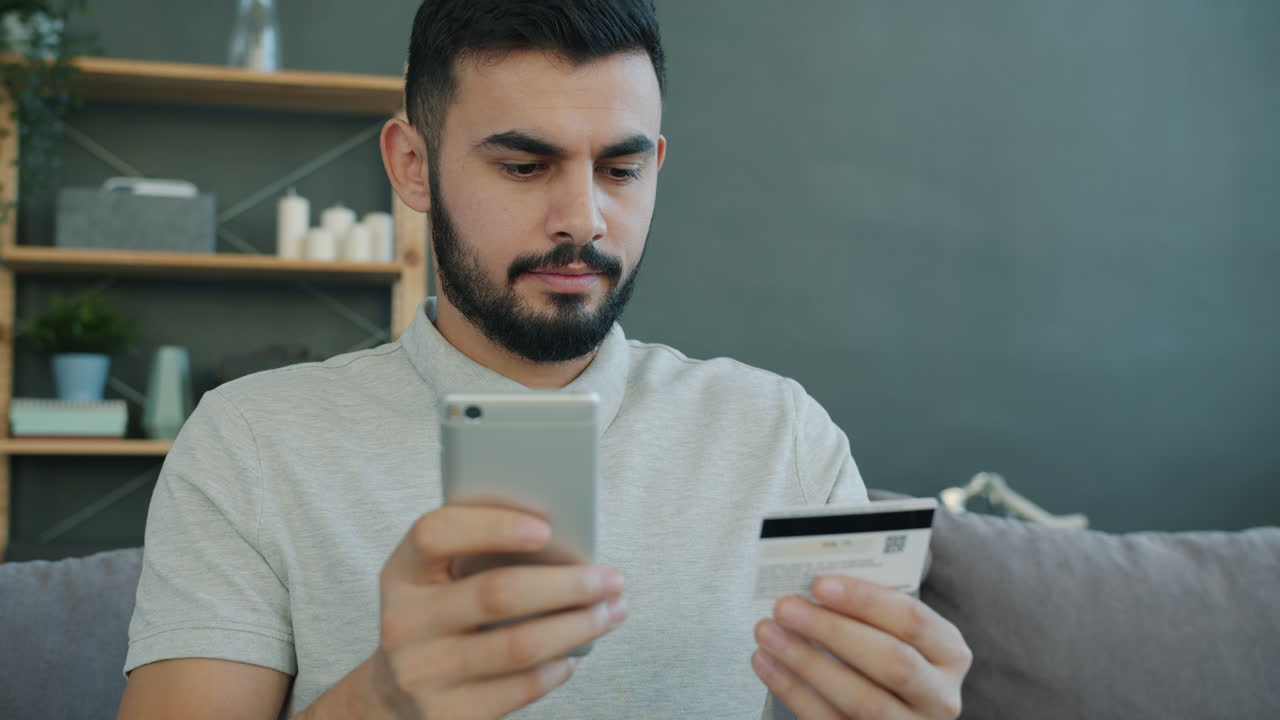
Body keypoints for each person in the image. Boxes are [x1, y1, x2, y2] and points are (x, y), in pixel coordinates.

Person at [116, 1, 972, 718]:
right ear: (412, 167)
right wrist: (381, 701)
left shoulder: (779, 432)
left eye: (622, 168)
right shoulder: (252, 441)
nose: (584, 218)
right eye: (525, 166)